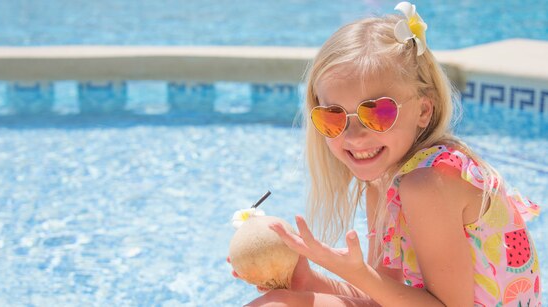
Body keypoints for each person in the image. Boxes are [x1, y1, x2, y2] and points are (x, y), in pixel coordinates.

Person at [228, 2, 542, 306]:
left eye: (377, 113)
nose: (354, 136)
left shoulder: (429, 184)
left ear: (423, 109)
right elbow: (383, 298)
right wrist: (305, 278)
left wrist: (354, 272)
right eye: (333, 117)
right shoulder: (384, 183)